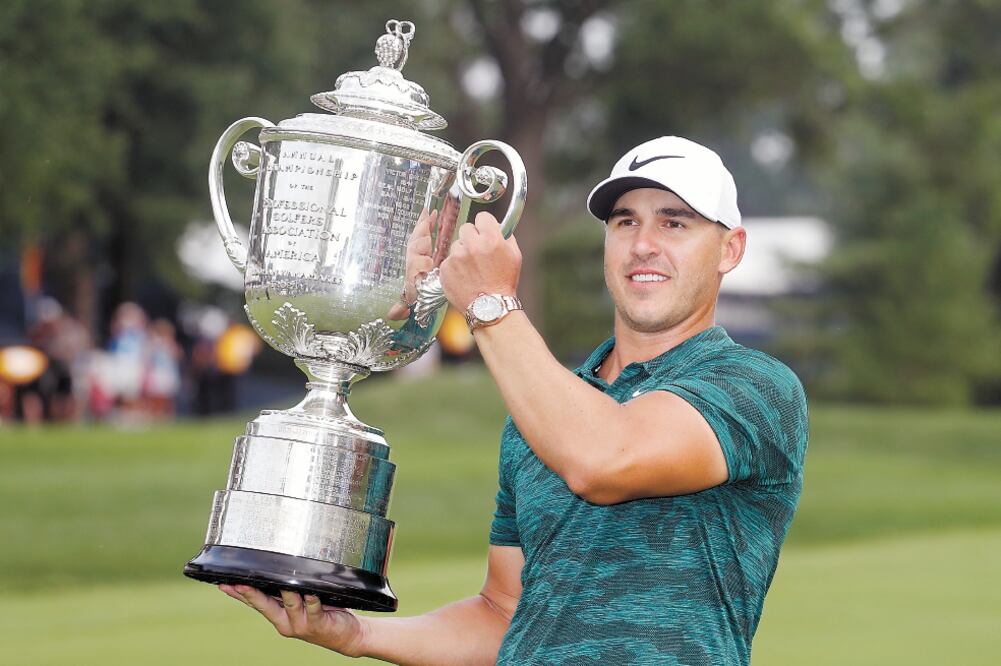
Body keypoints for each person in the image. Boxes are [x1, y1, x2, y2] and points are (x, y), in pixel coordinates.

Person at [220, 136, 809, 665]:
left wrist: (490, 303)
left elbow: (604, 460)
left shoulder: (754, 386)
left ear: (730, 249)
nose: (643, 245)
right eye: (625, 222)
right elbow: (503, 613)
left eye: (674, 224)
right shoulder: (541, 412)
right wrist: (356, 637)